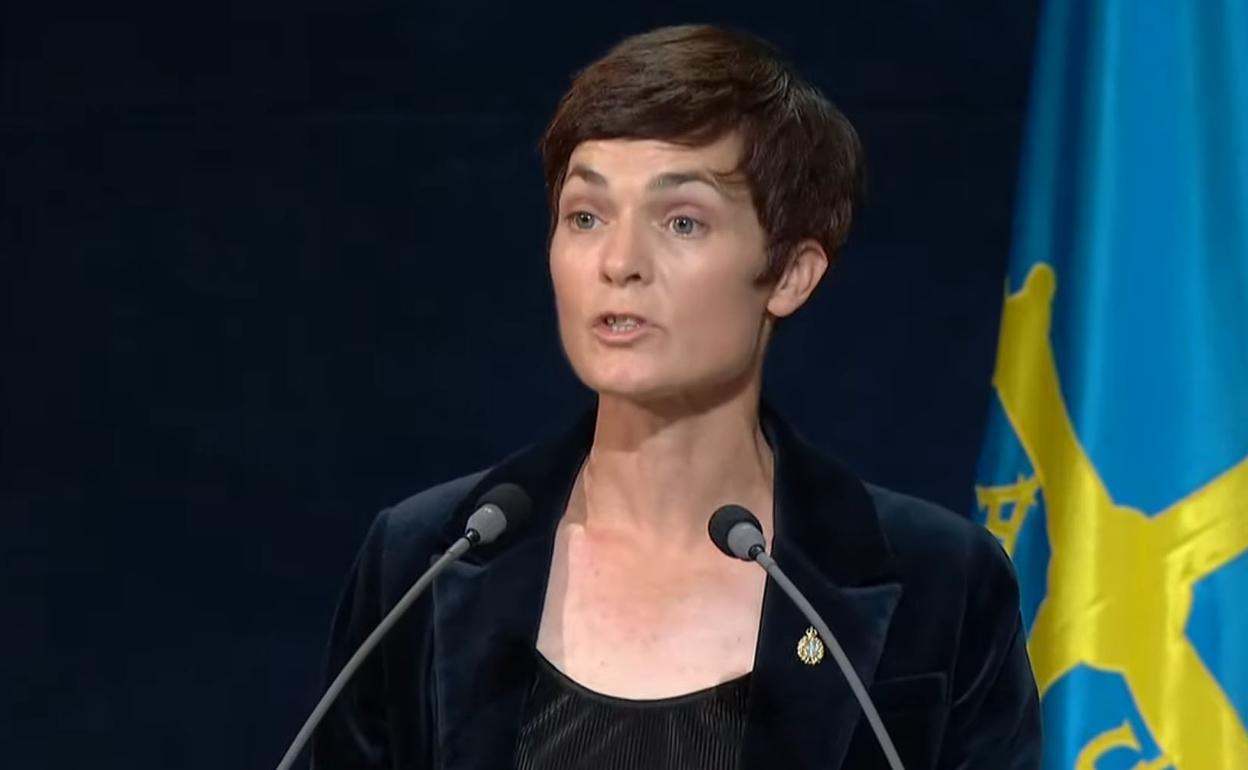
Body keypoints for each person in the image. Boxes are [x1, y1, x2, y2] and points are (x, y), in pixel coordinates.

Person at [310, 23, 1041, 770]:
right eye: (585, 216)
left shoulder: (938, 584)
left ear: (790, 273)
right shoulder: (425, 558)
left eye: (682, 221)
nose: (619, 262)